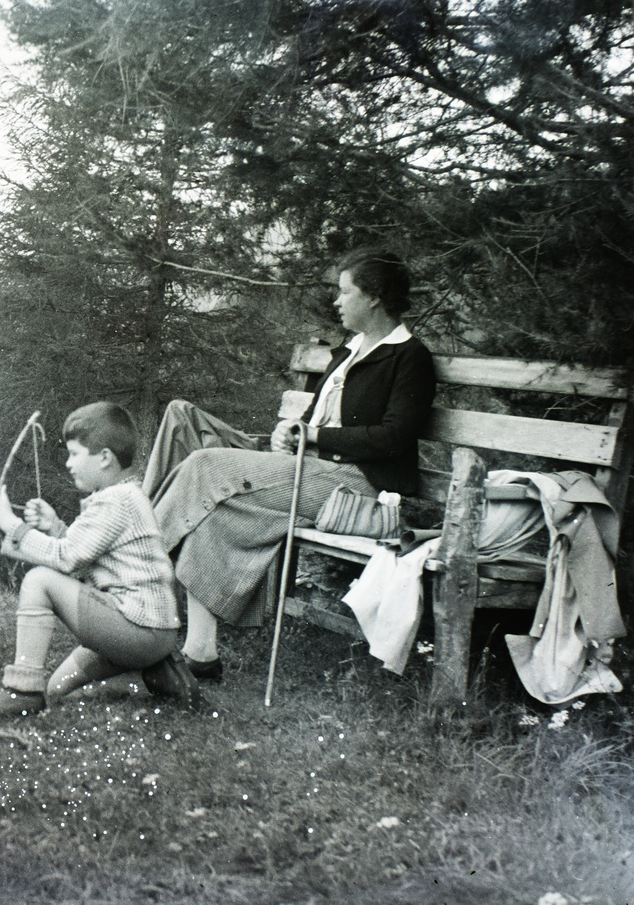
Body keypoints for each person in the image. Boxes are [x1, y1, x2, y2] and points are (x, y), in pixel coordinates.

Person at [140, 249, 437, 681]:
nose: (337, 301)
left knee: (204, 465)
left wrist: (314, 437)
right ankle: (199, 654)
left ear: (374, 297)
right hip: (312, 470)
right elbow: (315, 419)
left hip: (357, 485)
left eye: (345, 292)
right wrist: (292, 431)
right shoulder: (349, 352)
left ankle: (135, 574)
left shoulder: (408, 356)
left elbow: (394, 437)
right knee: (213, 503)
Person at [0, 402, 200, 722]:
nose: (68, 463)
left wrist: (9, 523)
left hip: (137, 630)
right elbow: (84, 556)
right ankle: (153, 678)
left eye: (75, 454)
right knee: (57, 688)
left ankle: (20, 692)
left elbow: (65, 559)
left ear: (105, 458)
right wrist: (54, 526)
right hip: (149, 633)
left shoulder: (114, 502)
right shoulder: (123, 496)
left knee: (39, 580)